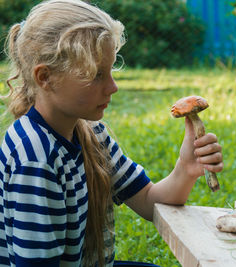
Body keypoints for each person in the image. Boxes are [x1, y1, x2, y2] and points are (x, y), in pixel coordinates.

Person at [0, 0, 224, 266]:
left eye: (110, 71)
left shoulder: (92, 135)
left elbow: (149, 201)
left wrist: (186, 168)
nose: (113, 86)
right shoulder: (35, 158)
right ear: (45, 77)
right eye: (96, 75)